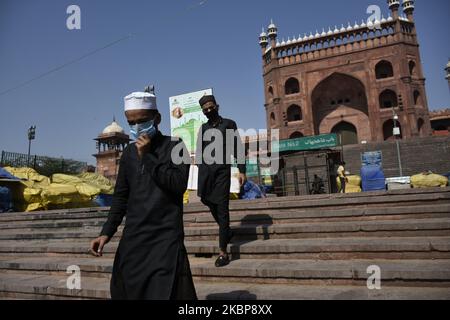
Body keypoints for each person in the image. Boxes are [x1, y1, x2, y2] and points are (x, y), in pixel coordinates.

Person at [89, 87, 197, 300]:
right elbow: (121, 197)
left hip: (165, 238)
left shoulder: (175, 146)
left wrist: (147, 156)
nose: (137, 127)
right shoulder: (129, 153)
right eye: (131, 122)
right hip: (135, 239)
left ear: (157, 118)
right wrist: (106, 232)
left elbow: (177, 185)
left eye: (142, 120)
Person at [195, 95, 247, 268]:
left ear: (217, 106)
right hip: (206, 173)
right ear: (203, 111)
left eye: (211, 107)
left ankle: (223, 252)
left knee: (222, 208)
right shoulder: (203, 128)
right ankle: (227, 231)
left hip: (222, 172)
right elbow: (200, 151)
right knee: (206, 200)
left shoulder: (229, 124)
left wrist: (242, 170)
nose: (209, 111)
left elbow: (238, 148)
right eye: (205, 109)